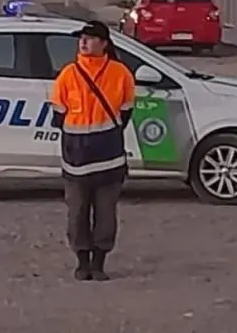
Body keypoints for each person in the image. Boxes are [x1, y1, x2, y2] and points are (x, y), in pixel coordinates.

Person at [50, 21, 135, 281]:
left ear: (104, 43)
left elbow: (125, 112)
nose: (84, 42)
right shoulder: (68, 74)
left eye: (90, 38)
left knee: (105, 214)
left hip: (108, 159)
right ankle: (82, 261)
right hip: (76, 160)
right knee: (76, 213)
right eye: (82, 39)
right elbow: (58, 114)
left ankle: (99, 262)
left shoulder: (121, 74)